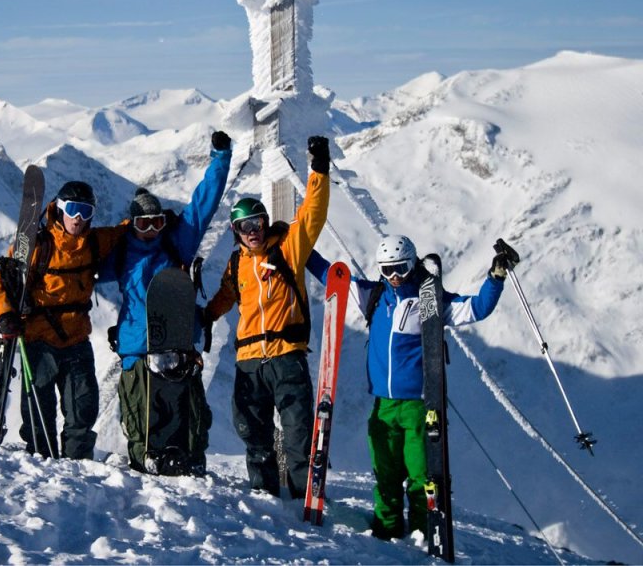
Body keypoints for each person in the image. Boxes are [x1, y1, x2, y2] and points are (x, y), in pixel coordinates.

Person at [308, 237, 516, 540]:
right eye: (387, 269)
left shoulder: (430, 300)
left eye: (401, 268)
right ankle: (386, 529)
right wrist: (298, 247)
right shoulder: (375, 295)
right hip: (382, 404)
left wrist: (496, 277)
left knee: (421, 476)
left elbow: (476, 308)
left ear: (413, 263)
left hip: (419, 404)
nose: (394, 276)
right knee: (386, 473)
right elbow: (333, 276)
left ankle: (423, 532)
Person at [202, 135, 331, 498]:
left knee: (297, 432)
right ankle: (265, 496)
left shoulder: (288, 248)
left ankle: (305, 497)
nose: (254, 231)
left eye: (258, 222)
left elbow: (313, 215)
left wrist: (318, 168)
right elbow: (227, 297)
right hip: (248, 362)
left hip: (286, 355)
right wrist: (206, 316)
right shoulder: (237, 265)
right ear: (236, 232)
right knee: (253, 433)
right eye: (246, 226)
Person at [100, 130, 233, 474]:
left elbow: (203, 205)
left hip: (177, 347)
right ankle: (146, 470)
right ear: (131, 223)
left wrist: (221, 158)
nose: (151, 230)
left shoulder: (176, 245)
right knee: (143, 422)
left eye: (157, 221)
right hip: (137, 351)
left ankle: (190, 464)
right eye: (144, 223)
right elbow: (81, 271)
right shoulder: (120, 252)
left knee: (185, 418)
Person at [0, 180, 126, 460]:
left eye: (86, 211)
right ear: (59, 210)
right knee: (39, 412)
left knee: (83, 409)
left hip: (77, 340)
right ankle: (43, 466)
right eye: (73, 209)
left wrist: (153, 219)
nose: (78, 218)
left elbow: (126, 232)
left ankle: (78, 467)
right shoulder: (39, 244)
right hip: (38, 341)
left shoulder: (96, 242)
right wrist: (5, 313)